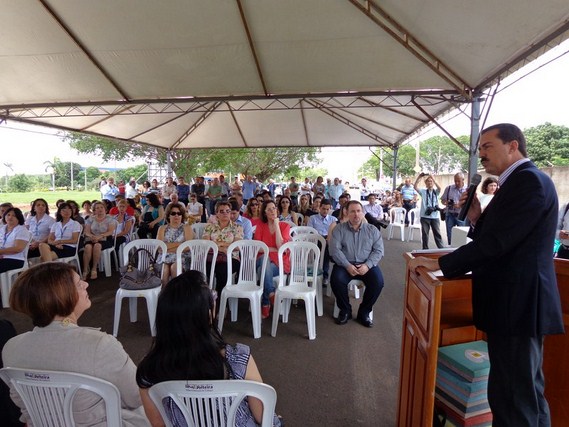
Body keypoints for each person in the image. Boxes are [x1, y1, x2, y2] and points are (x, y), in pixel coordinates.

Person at [409, 123, 564, 427]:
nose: (481, 154)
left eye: (487, 146)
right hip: (514, 305)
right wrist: (477, 219)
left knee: (514, 398)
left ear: (513, 146)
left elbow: (497, 243)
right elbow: (504, 236)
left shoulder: (528, 181)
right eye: (479, 148)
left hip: (518, 305)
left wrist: (442, 264)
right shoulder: (519, 181)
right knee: (523, 393)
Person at [3, 262, 148, 426]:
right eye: (79, 284)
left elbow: (21, 404)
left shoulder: (11, 348)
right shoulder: (99, 344)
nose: (86, 284)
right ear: (62, 296)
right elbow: (136, 397)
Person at [135, 270, 282, 427]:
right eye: (213, 297)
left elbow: (158, 424)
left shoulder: (148, 371)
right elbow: (263, 417)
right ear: (207, 314)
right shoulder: (238, 360)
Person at [329, 201, 384, 327]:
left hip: (366, 265)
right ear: (346, 213)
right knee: (336, 280)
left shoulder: (372, 230)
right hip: (345, 265)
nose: (356, 214)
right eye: (352, 211)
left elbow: (378, 251)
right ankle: (345, 310)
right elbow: (334, 250)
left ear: (363, 212)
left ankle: (364, 312)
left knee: (378, 282)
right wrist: (347, 265)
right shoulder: (339, 229)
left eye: (359, 211)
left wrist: (367, 265)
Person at [254, 200, 291, 319]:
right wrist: (271, 249)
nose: (272, 211)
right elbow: (258, 247)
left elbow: (280, 246)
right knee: (264, 260)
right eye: (269, 209)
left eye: (274, 208)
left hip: (280, 262)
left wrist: (276, 225)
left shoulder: (285, 226)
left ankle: (266, 302)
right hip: (262, 258)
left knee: (262, 270)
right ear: (264, 212)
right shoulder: (260, 225)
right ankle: (271, 294)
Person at [203, 201, 243, 294]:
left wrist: (217, 243)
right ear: (216, 213)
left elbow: (237, 246)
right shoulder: (209, 227)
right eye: (222, 211)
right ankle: (205, 296)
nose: (225, 213)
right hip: (211, 257)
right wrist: (222, 248)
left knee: (222, 270)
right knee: (204, 269)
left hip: (231, 258)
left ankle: (220, 298)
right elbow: (206, 244)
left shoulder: (237, 227)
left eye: (227, 211)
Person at [157, 204, 194, 284]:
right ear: (168, 215)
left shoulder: (186, 227)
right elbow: (159, 247)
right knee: (164, 269)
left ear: (182, 216)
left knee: (175, 267)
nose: (176, 216)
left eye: (179, 213)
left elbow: (188, 247)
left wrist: (167, 247)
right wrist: (179, 244)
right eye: (173, 213)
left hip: (182, 256)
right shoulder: (162, 228)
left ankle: (176, 291)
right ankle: (165, 290)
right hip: (164, 257)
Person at [82, 201, 117, 280]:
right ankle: (85, 269)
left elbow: (110, 231)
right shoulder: (90, 219)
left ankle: (94, 269)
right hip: (92, 238)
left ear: (105, 209)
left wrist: (99, 236)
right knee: (88, 247)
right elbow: (86, 231)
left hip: (105, 239)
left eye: (101, 207)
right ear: (94, 210)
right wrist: (93, 237)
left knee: (97, 246)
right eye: (97, 208)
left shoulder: (110, 219)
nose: (100, 209)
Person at [307, 199, 336, 283]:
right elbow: (310, 231)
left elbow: (335, 233)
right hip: (316, 240)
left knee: (326, 248)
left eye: (327, 209)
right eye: (323, 209)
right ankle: (316, 273)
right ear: (319, 208)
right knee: (322, 246)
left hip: (328, 240)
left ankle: (324, 275)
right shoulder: (313, 218)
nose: (325, 211)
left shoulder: (333, 219)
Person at [414, 173, 445, 249]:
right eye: (428, 181)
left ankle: (441, 249)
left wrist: (433, 178)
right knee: (425, 234)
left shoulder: (436, 192)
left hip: (435, 216)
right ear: (426, 183)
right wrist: (419, 177)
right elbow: (415, 187)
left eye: (431, 181)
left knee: (437, 234)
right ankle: (425, 250)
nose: (430, 182)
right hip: (425, 216)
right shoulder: (423, 191)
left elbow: (440, 188)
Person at [0, 208, 31, 274]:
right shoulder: (2, 229)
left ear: (18, 218)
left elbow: (18, 248)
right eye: (8, 215)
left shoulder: (22, 230)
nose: (10, 217)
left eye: (13, 215)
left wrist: (1, 252)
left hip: (14, 259)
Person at [441, 172, 467, 244]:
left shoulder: (467, 190)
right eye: (455, 181)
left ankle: (461, 249)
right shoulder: (449, 188)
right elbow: (442, 200)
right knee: (450, 235)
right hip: (450, 214)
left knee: (462, 235)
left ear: (463, 180)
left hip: (461, 215)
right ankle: (450, 249)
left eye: (459, 181)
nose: (457, 183)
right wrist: (446, 202)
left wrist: (460, 205)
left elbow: (470, 204)